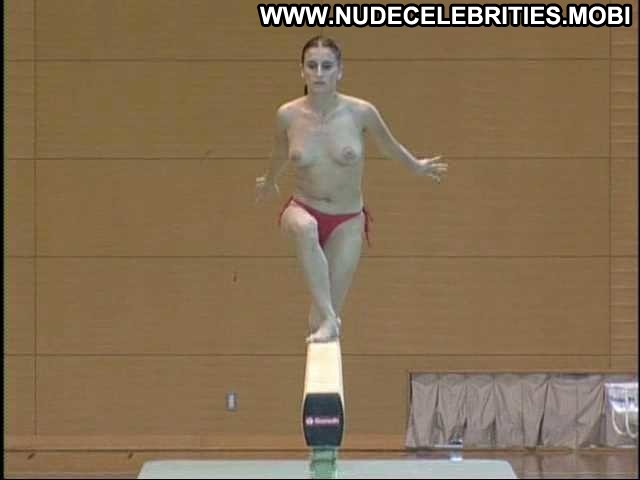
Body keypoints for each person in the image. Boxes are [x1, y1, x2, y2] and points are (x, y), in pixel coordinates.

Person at [255, 36, 447, 343]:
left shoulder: (361, 112)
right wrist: (269, 180)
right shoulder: (287, 115)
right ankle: (331, 320)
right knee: (305, 228)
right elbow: (279, 152)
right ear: (301, 71)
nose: (319, 73)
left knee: (319, 317)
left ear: (340, 70)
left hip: (347, 220)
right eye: (312, 66)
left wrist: (416, 166)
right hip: (302, 206)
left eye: (327, 66)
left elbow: (389, 146)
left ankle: (326, 321)